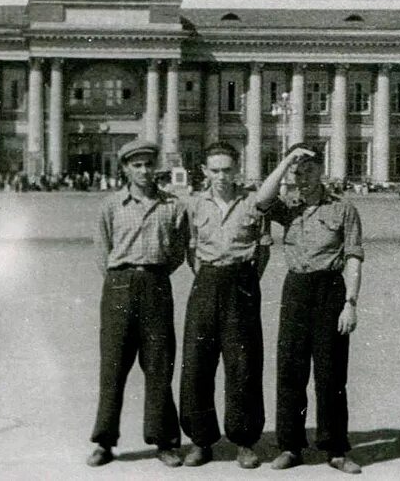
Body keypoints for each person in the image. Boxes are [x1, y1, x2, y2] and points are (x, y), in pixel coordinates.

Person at [178, 142, 314, 469]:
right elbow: (190, 251)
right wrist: (211, 274)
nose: (222, 177)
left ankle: (244, 441)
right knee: (197, 363)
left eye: (227, 170)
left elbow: (263, 250)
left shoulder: (252, 203)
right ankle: (200, 440)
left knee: (244, 364)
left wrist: (243, 278)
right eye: (215, 170)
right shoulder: (194, 205)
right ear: (205, 172)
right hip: (207, 282)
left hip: (242, 284)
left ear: (236, 169)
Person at [259, 142, 365, 474]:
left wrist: (350, 303)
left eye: (308, 170)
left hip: (331, 289)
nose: (302, 178)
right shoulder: (287, 206)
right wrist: (287, 159)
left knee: (331, 373)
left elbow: (353, 257)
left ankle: (335, 448)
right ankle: (290, 446)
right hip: (297, 288)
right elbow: (261, 199)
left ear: (321, 171)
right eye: (297, 172)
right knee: (291, 370)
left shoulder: (343, 208)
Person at [87, 139, 188, 468]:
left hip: (157, 285)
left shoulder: (172, 205)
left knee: (159, 365)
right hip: (118, 285)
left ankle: (165, 441)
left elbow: (177, 251)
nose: (144, 171)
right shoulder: (112, 205)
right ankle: (104, 441)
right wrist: (123, 275)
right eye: (137, 165)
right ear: (126, 169)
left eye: (148, 165)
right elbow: (102, 250)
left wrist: (152, 273)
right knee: (113, 366)